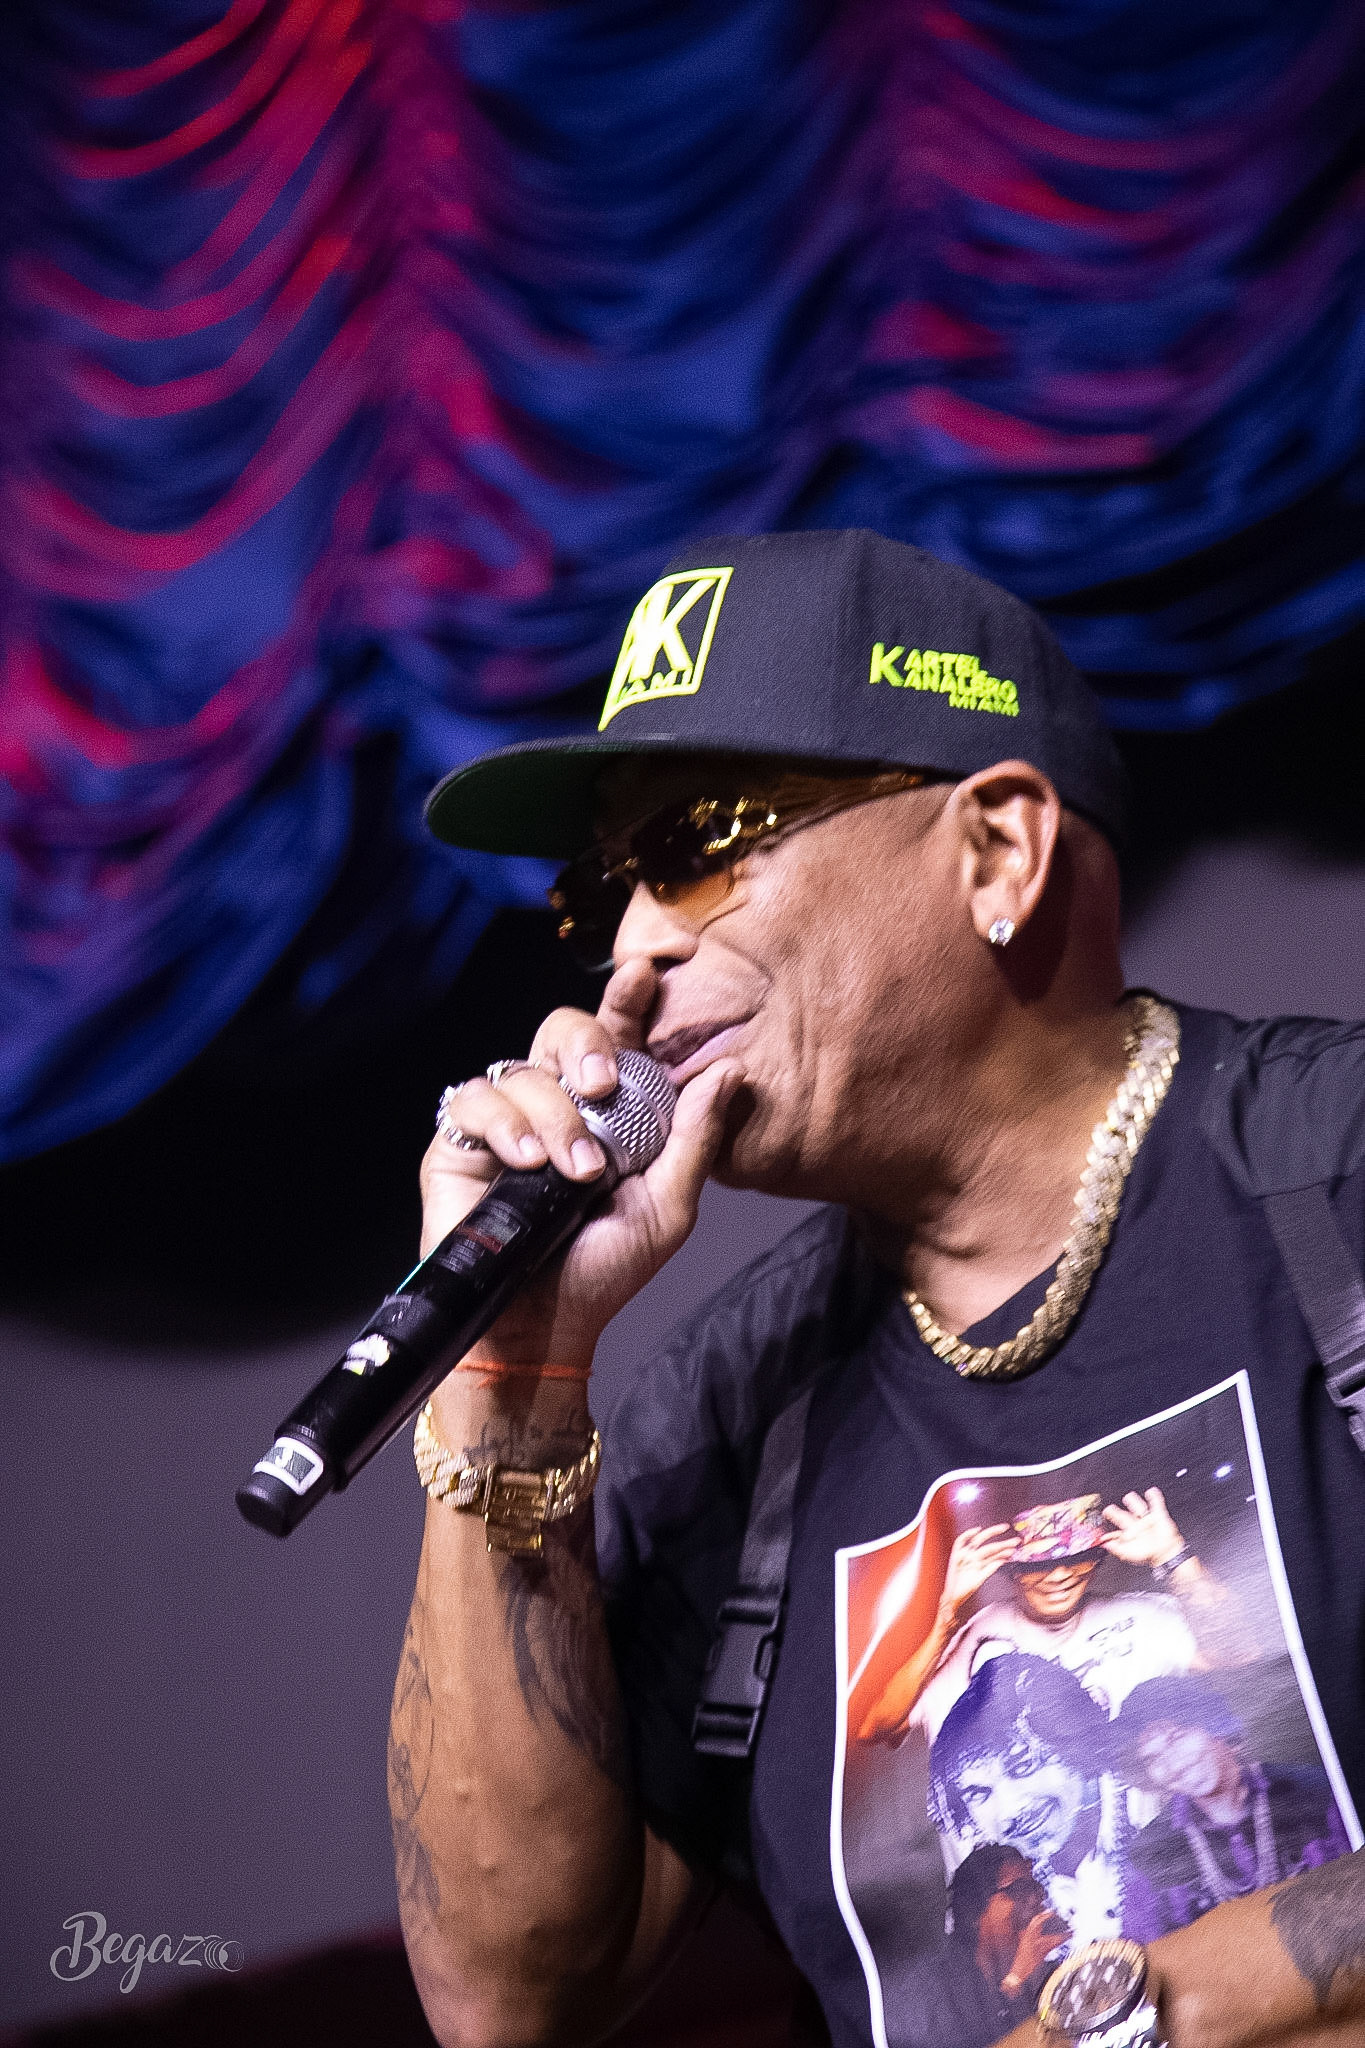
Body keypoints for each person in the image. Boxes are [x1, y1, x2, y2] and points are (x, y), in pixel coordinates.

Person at [387, 529, 1365, 2048]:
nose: (630, 953)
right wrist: (508, 1379)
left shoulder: (1338, 1174)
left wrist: (1135, 2013)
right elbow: (504, 1997)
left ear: (997, 853)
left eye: (702, 842)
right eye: (603, 891)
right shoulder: (733, 1412)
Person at [858, 1488, 1248, 1749]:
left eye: (1075, 1558)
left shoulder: (1142, 1617)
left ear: (1097, 1559)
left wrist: (1174, 1557)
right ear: (1010, 1568)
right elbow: (877, 1727)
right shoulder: (976, 1639)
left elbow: (1241, 1652)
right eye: (1039, 1563)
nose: (1059, 1575)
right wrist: (946, 1614)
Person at [1113, 1674, 1352, 1940]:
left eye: (1176, 1738)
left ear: (1213, 1726)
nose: (1174, 1764)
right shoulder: (1150, 1853)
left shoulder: (1318, 1791)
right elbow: (1142, 1949)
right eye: (1154, 1758)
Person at [928, 1654, 1129, 1944]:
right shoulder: (998, 1893)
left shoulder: (1158, 1801)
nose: (1011, 1809)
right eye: (979, 1794)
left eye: (1023, 1765)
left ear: (1073, 1744)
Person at [943, 1846, 1070, 2041]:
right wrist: (1014, 1983)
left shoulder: (1047, 1977)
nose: (1037, 1899)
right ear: (975, 1911)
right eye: (1019, 1889)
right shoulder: (937, 1988)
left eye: (1035, 1887)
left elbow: (1053, 2037)